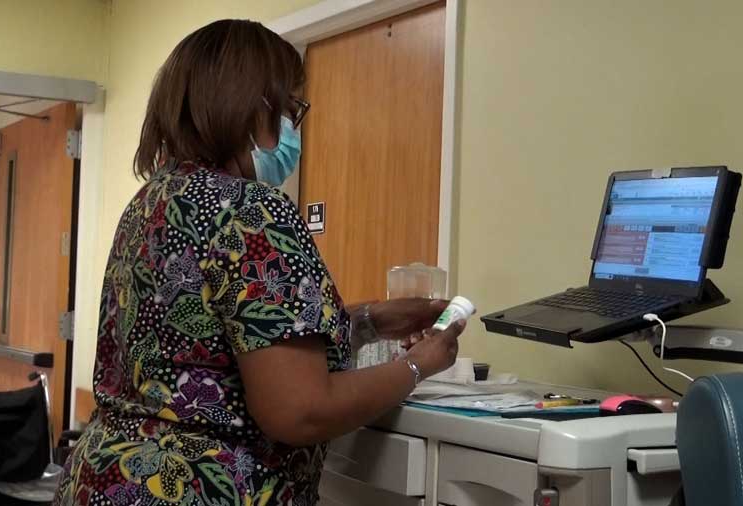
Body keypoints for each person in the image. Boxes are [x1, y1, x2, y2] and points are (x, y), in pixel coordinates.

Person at [54, 19, 464, 506]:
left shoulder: (153, 203)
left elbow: (215, 345)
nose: (292, 128)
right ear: (251, 105)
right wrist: (420, 364)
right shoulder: (252, 211)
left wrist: (370, 320)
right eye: (290, 109)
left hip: (108, 481)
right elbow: (299, 410)